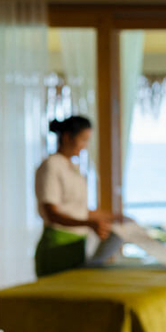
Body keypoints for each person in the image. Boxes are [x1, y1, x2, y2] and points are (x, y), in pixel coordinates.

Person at [34, 116, 112, 277]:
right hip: (57, 247)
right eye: (83, 140)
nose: (85, 146)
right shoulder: (51, 166)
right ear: (67, 137)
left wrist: (115, 218)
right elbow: (52, 213)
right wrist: (89, 224)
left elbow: (78, 210)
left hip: (76, 246)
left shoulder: (73, 168)